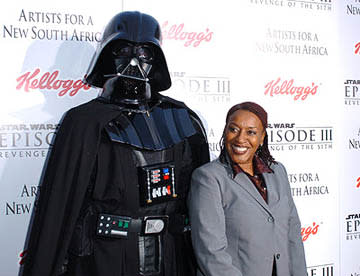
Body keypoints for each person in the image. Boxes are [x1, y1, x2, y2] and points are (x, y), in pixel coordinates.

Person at [21, 11, 209, 276]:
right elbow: (58, 211)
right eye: (122, 50)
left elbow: (204, 204)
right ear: (108, 54)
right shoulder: (84, 123)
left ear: (156, 60)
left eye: (144, 53)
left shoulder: (182, 118)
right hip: (105, 258)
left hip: (172, 256)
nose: (133, 61)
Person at [187, 102, 307, 276]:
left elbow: (293, 234)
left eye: (251, 132)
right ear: (224, 131)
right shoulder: (208, 178)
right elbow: (211, 252)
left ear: (261, 137)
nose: (240, 139)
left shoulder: (278, 171)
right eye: (234, 129)